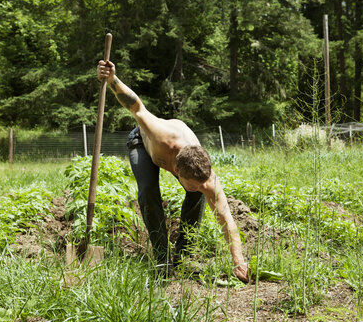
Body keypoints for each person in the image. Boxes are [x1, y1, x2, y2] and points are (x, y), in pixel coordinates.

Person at [97, 60, 249, 282]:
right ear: (177, 170)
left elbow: (226, 218)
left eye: (202, 182)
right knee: (148, 191)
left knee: (197, 196)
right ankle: (162, 258)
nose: (201, 188)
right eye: (193, 183)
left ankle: (183, 255)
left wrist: (239, 262)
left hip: (181, 157)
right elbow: (136, 106)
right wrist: (112, 79)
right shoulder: (160, 134)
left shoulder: (204, 175)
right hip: (142, 143)